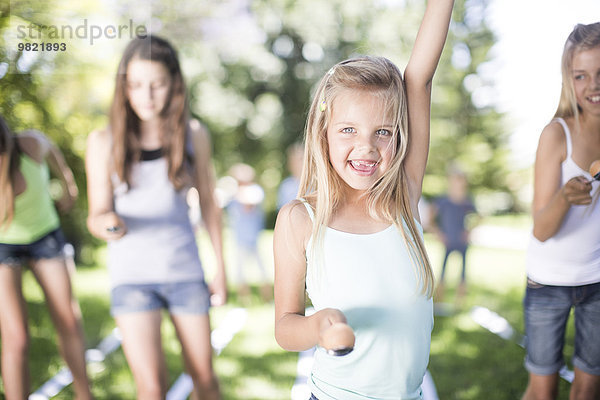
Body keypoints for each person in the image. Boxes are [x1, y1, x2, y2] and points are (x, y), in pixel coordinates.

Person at [273, 1, 453, 398]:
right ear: (324, 132)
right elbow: (285, 326)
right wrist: (320, 326)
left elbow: (418, 79)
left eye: (383, 132)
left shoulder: (403, 196)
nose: (366, 147)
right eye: (349, 130)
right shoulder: (300, 218)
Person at [85, 35, 226, 400]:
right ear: (124, 87)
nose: (146, 96)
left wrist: (221, 269)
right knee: (150, 388)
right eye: (135, 85)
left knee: (205, 380)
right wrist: (109, 224)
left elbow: (209, 203)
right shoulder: (102, 141)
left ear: (175, 84)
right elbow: (96, 215)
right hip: (132, 278)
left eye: (157, 84)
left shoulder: (194, 135)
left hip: (185, 271)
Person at [522, 22, 600, 400]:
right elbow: (541, 229)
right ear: (569, 79)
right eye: (581, 75)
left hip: (598, 279)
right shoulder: (556, 134)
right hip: (548, 282)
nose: (593, 85)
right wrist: (566, 197)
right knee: (543, 391)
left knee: (587, 390)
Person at [0, 116, 93, 400]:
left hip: (45, 236)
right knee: (16, 338)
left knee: (68, 321)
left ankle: (84, 395)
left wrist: (68, 182)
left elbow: (51, 147)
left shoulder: (28, 144)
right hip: (4, 245)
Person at [429, 167, 477, 303]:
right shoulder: (443, 201)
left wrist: (469, 231)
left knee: (462, 272)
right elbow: (430, 219)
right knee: (443, 270)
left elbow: (478, 217)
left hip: (462, 242)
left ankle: (460, 300)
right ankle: (439, 298)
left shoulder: (466, 201)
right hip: (448, 240)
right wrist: (438, 234)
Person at [226, 163, 270, 302]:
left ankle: (267, 298)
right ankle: (244, 299)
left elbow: (248, 205)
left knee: (262, 270)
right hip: (239, 238)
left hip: (253, 238)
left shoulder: (254, 191)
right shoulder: (234, 194)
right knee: (239, 272)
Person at [277, 142, 304, 210]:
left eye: (301, 158)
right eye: (295, 160)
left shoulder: (318, 183)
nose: (300, 163)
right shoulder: (285, 186)